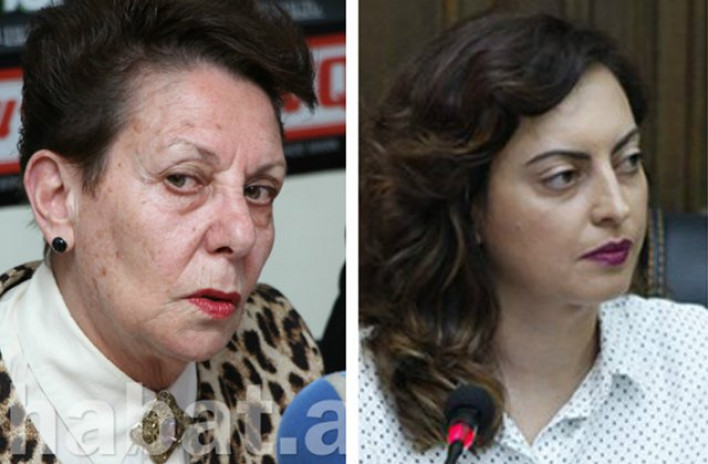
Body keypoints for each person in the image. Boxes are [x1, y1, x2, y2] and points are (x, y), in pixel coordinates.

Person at [359, 13, 708, 463]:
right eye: (563, 176)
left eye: (629, 161)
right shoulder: (361, 403)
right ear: (467, 203)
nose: (616, 207)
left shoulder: (695, 360)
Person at [0, 0, 324, 462]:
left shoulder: (277, 346)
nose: (241, 234)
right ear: (57, 198)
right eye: (183, 179)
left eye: (257, 190)